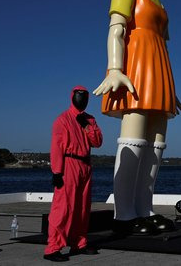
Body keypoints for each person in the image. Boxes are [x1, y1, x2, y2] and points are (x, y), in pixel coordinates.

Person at [93, 0, 181, 236]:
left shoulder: (160, 4)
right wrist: (114, 70)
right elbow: (116, 31)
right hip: (136, 69)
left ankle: (144, 208)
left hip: (159, 70)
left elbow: (164, 45)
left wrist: (171, 90)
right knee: (134, 136)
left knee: (157, 142)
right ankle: (124, 214)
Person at [44, 86, 103, 262]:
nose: (82, 99)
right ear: (72, 97)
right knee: (63, 207)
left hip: (85, 165)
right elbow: (57, 147)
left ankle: (79, 242)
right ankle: (53, 247)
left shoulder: (89, 119)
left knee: (82, 208)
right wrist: (57, 171)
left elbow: (98, 142)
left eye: (85, 96)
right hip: (69, 164)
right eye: (79, 96)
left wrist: (87, 127)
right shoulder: (62, 120)